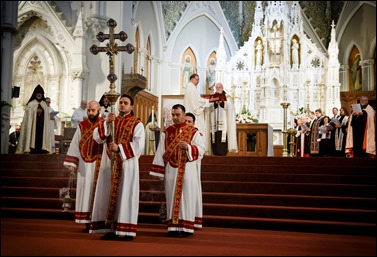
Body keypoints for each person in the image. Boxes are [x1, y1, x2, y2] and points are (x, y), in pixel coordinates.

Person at [90, 94, 145, 241]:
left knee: (125, 195)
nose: (122, 105)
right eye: (121, 102)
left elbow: (139, 145)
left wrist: (119, 148)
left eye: (126, 103)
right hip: (110, 164)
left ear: (131, 107)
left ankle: (125, 230)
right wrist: (107, 123)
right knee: (109, 194)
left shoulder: (136, 123)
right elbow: (97, 138)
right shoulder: (111, 120)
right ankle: (111, 228)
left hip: (127, 165)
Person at [149, 104, 205, 237]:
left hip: (187, 172)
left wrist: (189, 147)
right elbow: (160, 152)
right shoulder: (166, 132)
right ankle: (173, 228)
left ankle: (186, 228)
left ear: (184, 115)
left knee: (186, 200)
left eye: (177, 115)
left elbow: (201, 150)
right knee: (172, 198)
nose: (175, 117)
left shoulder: (193, 131)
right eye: (173, 115)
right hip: (171, 172)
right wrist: (159, 171)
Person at [63, 100, 104, 233]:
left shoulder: (104, 124)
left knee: (98, 192)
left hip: (100, 164)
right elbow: (75, 144)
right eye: (89, 110)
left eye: (93, 110)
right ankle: (86, 222)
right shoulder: (82, 125)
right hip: (84, 165)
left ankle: (98, 221)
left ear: (99, 110)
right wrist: (72, 163)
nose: (91, 113)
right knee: (85, 192)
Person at [183, 73, 219, 155]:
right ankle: (197, 150)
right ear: (192, 79)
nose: (198, 81)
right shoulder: (191, 87)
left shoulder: (190, 87)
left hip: (191, 111)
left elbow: (196, 100)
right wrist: (209, 100)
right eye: (197, 79)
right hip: (194, 113)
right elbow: (197, 101)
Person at [16, 84, 52, 154]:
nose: (39, 95)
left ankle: (43, 149)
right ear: (35, 94)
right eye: (38, 93)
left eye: (40, 93)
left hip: (42, 126)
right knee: (32, 136)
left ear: (42, 94)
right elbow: (28, 115)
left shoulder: (44, 104)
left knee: (41, 138)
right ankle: (30, 148)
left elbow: (47, 114)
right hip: (33, 126)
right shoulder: (31, 104)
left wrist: (43, 111)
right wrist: (35, 111)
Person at [207, 82, 238, 155]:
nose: (218, 89)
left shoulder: (227, 97)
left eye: (219, 87)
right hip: (214, 124)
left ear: (222, 88)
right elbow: (209, 108)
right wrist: (214, 102)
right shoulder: (213, 97)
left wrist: (222, 103)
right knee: (215, 140)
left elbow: (230, 107)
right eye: (217, 88)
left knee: (222, 140)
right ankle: (215, 153)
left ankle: (223, 154)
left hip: (224, 124)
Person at [185, 112, 203, 229]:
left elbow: (201, 151)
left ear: (194, 123)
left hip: (192, 168)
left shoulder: (197, 134)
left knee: (192, 193)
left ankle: (193, 219)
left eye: (189, 122)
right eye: (185, 121)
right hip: (177, 169)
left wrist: (188, 148)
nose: (186, 124)